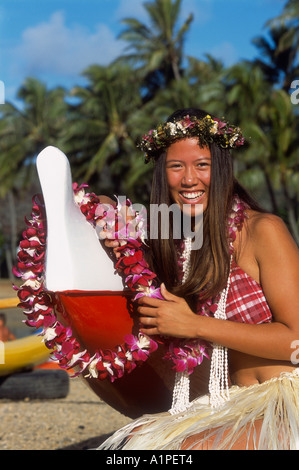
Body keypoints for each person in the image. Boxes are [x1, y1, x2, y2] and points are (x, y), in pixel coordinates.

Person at [99, 108, 299, 450]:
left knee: (185, 449)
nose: (189, 179)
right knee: (134, 441)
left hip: (288, 399)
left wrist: (193, 326)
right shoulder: (178, 237)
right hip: (237, 400)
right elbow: (103, 207)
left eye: (202, 165)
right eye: (176, 166)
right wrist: (108, 213)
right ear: (163, 174)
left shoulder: (263, 230)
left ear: (220, 169)